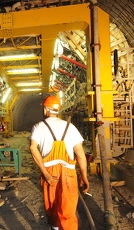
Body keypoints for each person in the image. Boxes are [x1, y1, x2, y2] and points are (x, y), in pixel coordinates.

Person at [29, 95, 89, 230]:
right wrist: (84, 176)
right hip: (68, 172)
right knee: (67, 210)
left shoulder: (38, 127)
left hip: (49, 172)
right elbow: (80, 153)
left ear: (45, 110)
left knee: (51, 207)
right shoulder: (70, 127)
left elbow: (33, 148)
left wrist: (45, 173)